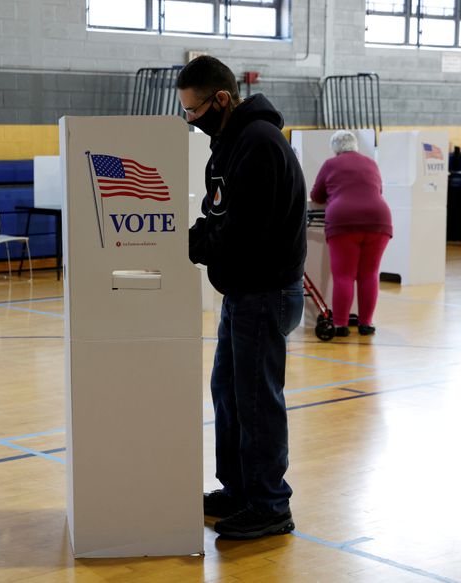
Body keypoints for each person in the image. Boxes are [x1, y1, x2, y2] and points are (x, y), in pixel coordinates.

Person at [178, 56, 306, 539]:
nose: (190, 119)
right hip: (243, 291)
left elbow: (242, 232)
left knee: (256, 403)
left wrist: (188, 245)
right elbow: (217, 216)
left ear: (223, 100)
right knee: (229, 394)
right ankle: (238, 489)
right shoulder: (229, 144)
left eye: (193, 110)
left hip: (265, 290)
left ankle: (271, 505)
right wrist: (191, 236)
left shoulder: (258, 144)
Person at [310, 131, 392, 337]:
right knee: (369, 274)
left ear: (335, 148)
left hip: (343, 221)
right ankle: (366, 324)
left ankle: (340, 325)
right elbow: (378, 191)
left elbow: (316, 195)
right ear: (356, 145)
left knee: (344, 276)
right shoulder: (371, 163)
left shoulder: (330, 164)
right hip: (379, 220)